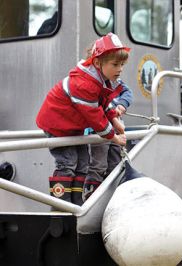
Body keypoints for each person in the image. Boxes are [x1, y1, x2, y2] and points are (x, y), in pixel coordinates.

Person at [36, 33, 130, 205]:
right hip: (57, 125)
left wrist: (115, 122)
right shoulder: (85, 84)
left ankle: (77, 204)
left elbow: (104, 105)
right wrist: (114, 137)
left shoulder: (100, 80)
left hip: (71, 127)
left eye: (122, 64)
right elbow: (95, 117)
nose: (120, 69)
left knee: (84, 163)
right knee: (68, 163)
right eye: (115, 64)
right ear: (97, 63)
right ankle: (61, 209)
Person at [83, 83, 133, 202]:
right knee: (99, 164)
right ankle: (91, 195)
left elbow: (128, 92)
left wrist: (122, 105)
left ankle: (110, 194)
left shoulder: (117, 81)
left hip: (117, 127)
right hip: (99, 128)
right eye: (115, 64)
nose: (119, 69)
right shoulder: (94, 82)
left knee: (116, 163)